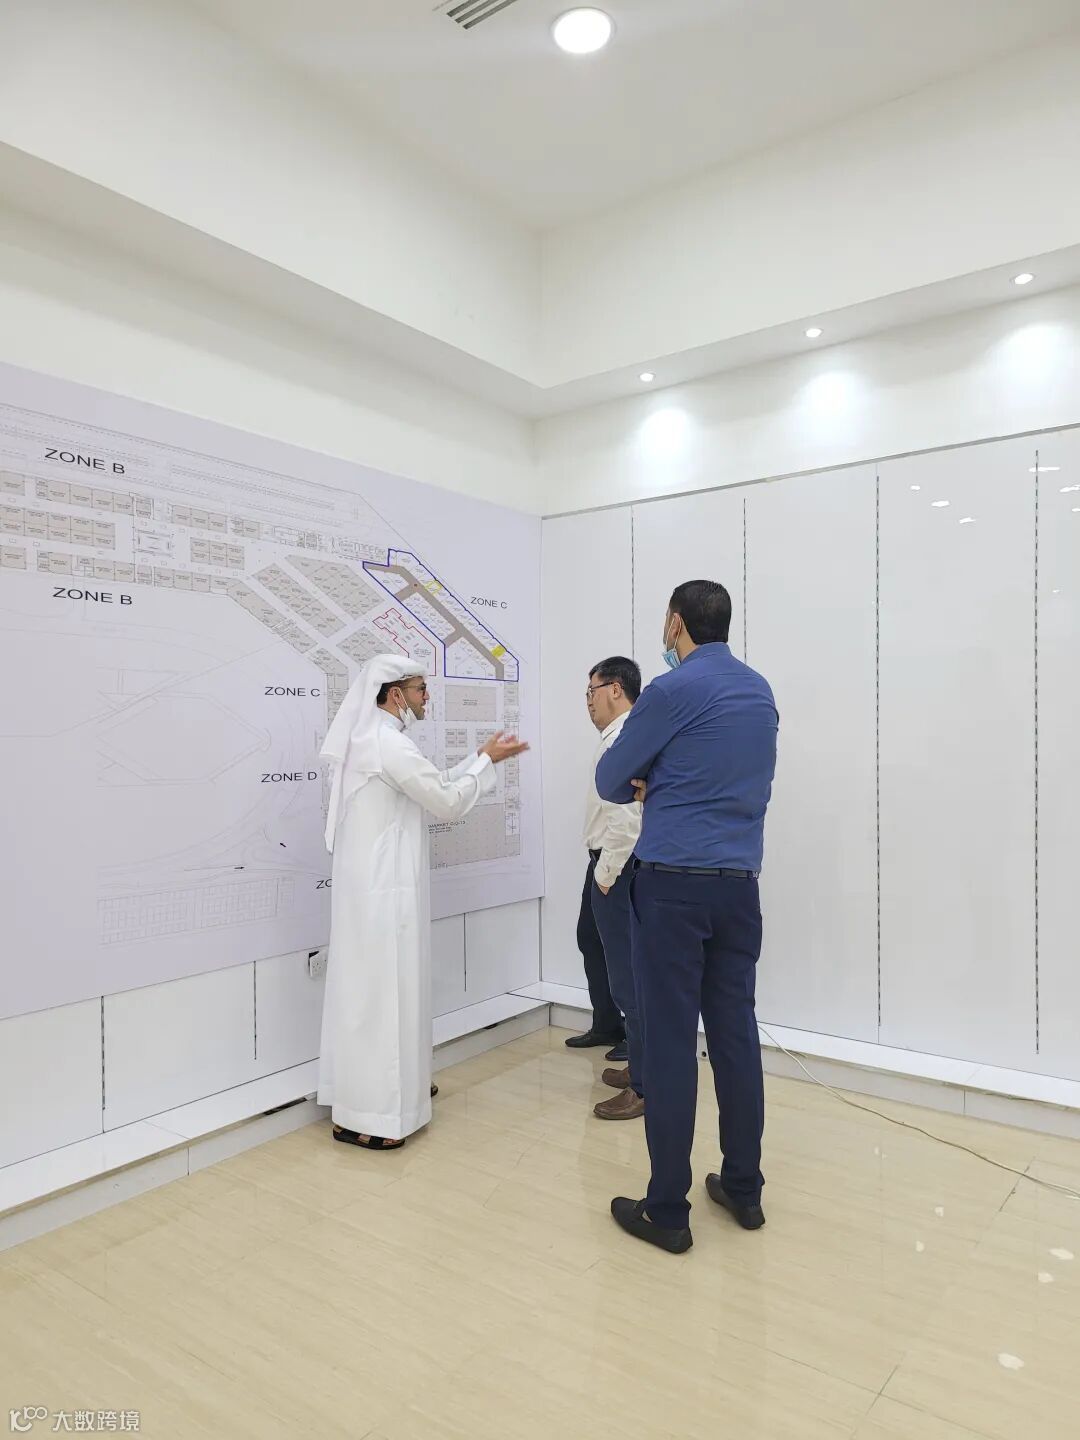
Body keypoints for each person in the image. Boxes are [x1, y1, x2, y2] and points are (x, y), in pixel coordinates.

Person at [596, 581, 778, 1254]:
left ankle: (667, 1209)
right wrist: (670, 777)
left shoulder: (670, 692)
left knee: (672, 1044)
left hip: (673, 889)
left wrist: (656, 779)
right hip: (739, 889)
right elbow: (733, 774)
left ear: (675, 623)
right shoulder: (759, 692)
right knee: (735, 1036)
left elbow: (611, 779)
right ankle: (744, 1187)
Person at [317, 653, 528, 1151]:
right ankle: (381, 1118)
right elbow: (446, 801)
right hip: (386, 894)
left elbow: (433, 781)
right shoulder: (389, 743)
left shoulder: (369, 739)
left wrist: (480, 758)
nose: (426, 697)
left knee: (364, 999)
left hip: (366, 894)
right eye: (420, 689)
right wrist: (487, 762)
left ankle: (359, 1106)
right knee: (386, 1000)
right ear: (396, 695)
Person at [580, 657, 645, 1121]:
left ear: (616, 689)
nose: (588, 702)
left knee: (628, 978)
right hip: (610, 866)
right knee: (611, 960)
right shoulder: (620, 736)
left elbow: (627, 820)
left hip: (617, 869)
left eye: (592, 691)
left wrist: (606, 874)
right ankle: (639, 1065)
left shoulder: (624, 740)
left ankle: (644, 1084)